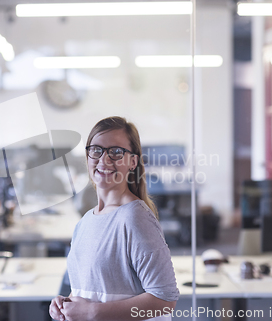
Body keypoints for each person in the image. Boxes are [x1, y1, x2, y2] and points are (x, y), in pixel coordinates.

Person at [49, 116, 179, 321]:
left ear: (133, 161)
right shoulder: (85, 222)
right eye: (96, 150)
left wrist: (93, 313)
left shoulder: (135, 218)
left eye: (116, 152)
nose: (104, 160)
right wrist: (67, 302)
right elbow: (94, 291)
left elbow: (164, 301)